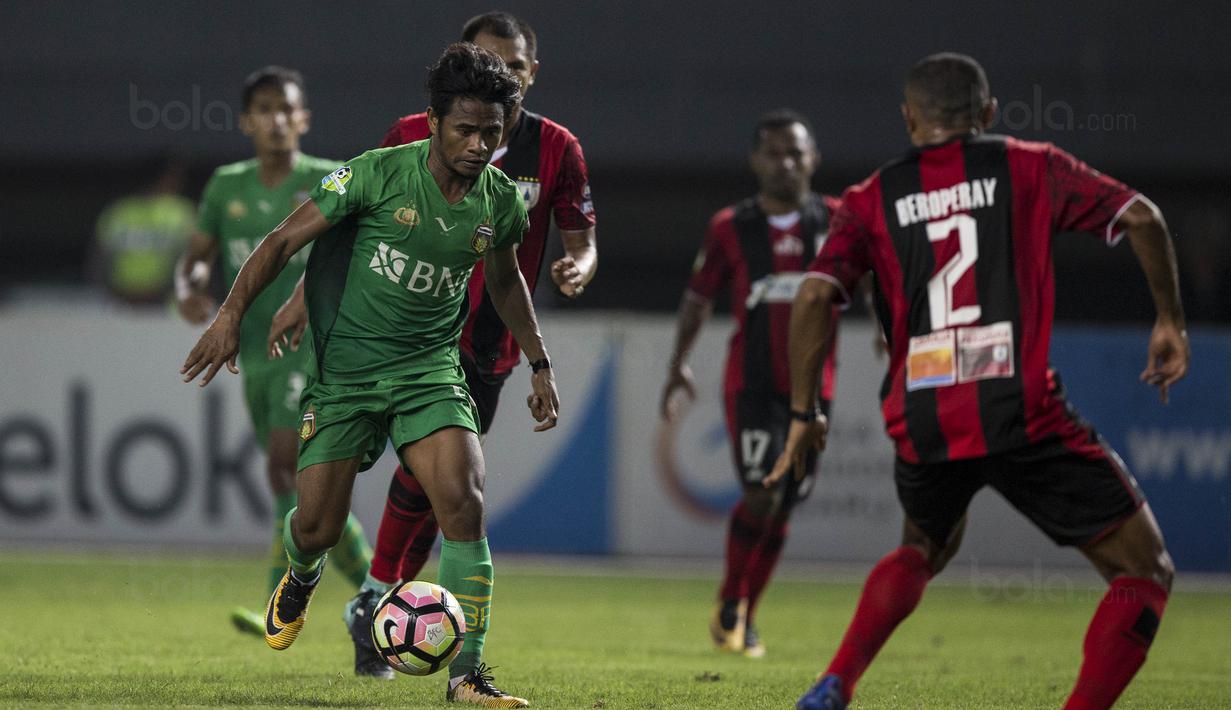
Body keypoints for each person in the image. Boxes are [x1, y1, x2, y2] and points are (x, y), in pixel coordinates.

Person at [767, 53, 1188, 710]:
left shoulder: (869, 197)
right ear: (988, 115)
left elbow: (816, 295)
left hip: (922, 409)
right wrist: (1168, 320)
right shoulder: (1029, 165)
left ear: (909, 119)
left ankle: (835, 682)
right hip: (1018, 407)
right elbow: (1140, 216)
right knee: (1146, 569)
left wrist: (802, 414)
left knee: (922, 546)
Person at [183, 43, 555, 707]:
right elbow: (280, 243)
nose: (477, 145)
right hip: (347, 379)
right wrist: (229, 317)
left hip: (429, 373)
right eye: (465, 130)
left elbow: (505, 280)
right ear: (435, 122)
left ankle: (467, 676)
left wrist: (538, 361)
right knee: (315, 528)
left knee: (464, 503)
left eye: (491, 134)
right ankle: (300, 576)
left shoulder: (498, 200)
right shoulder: (373, 174)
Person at [262, 11, 594, 674]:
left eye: (513, 67)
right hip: (363, 351)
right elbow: (346, 224)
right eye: (482, 62)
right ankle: (323, 579)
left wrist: (559, 310)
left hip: (471, 352)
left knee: (446, 494)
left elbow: (571, 244)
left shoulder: (553, 149)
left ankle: (436, 645)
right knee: (320, 524)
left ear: (529, 73)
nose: (477, 136)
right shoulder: (403, 144)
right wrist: (303, 297)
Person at [174, 66, 376, 661]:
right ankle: (370, 592)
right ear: (246, 121)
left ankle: (281, 603)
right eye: (264, 109)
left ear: (304, 119)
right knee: (290, 482)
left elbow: (363, 250)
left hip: (315, 349)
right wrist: (190, 287)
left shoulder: (329, 178)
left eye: (287, 109)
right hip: (253, 355)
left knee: (288, 467)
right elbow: (195, 261)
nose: (277, 120)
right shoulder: (225, 187)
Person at [660, 109, 839, 659]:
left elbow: (877, 280)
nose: (786, 162)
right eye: (774, 152)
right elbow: (698, 297)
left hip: (815, 387)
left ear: (813, 158)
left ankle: (746, 616)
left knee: (784, 504)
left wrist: (889, 331)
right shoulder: (729, 226)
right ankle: (731, 602)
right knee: (762, 493)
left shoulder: (838, 220)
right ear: (755, 161)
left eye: (796, 151)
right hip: (753, 384)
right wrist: (678, 362)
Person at [95, 153, 195, 307]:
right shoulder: (119, 212)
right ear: (167, 177)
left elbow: (191, 262)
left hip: (163, 305)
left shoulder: (181, 212)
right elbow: (99, 260)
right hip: (120, 304)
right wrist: (115, 293)